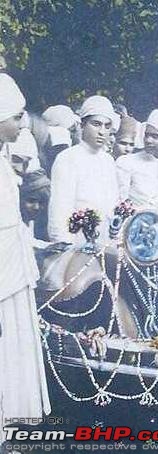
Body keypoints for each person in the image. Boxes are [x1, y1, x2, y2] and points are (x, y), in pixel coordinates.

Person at [0, 73, 50, 446]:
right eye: (16, 116)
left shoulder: (5, 160)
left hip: (12, 264)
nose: (21, 123)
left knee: (13, 336)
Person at [48, 95, 120, 244]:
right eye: (96, 124)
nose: (102, 131)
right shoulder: (68, 158)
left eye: (107, 126)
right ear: (82, 125)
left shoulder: (108, 161)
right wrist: (64, 246)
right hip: (77, 244)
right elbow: (59, 210)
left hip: (105, 243)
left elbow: (112, 205)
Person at [116, 109, 158, 210]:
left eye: (155, 136)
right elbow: (120, 199)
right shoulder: (127, 162)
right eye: (146, 135)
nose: (148, 140)